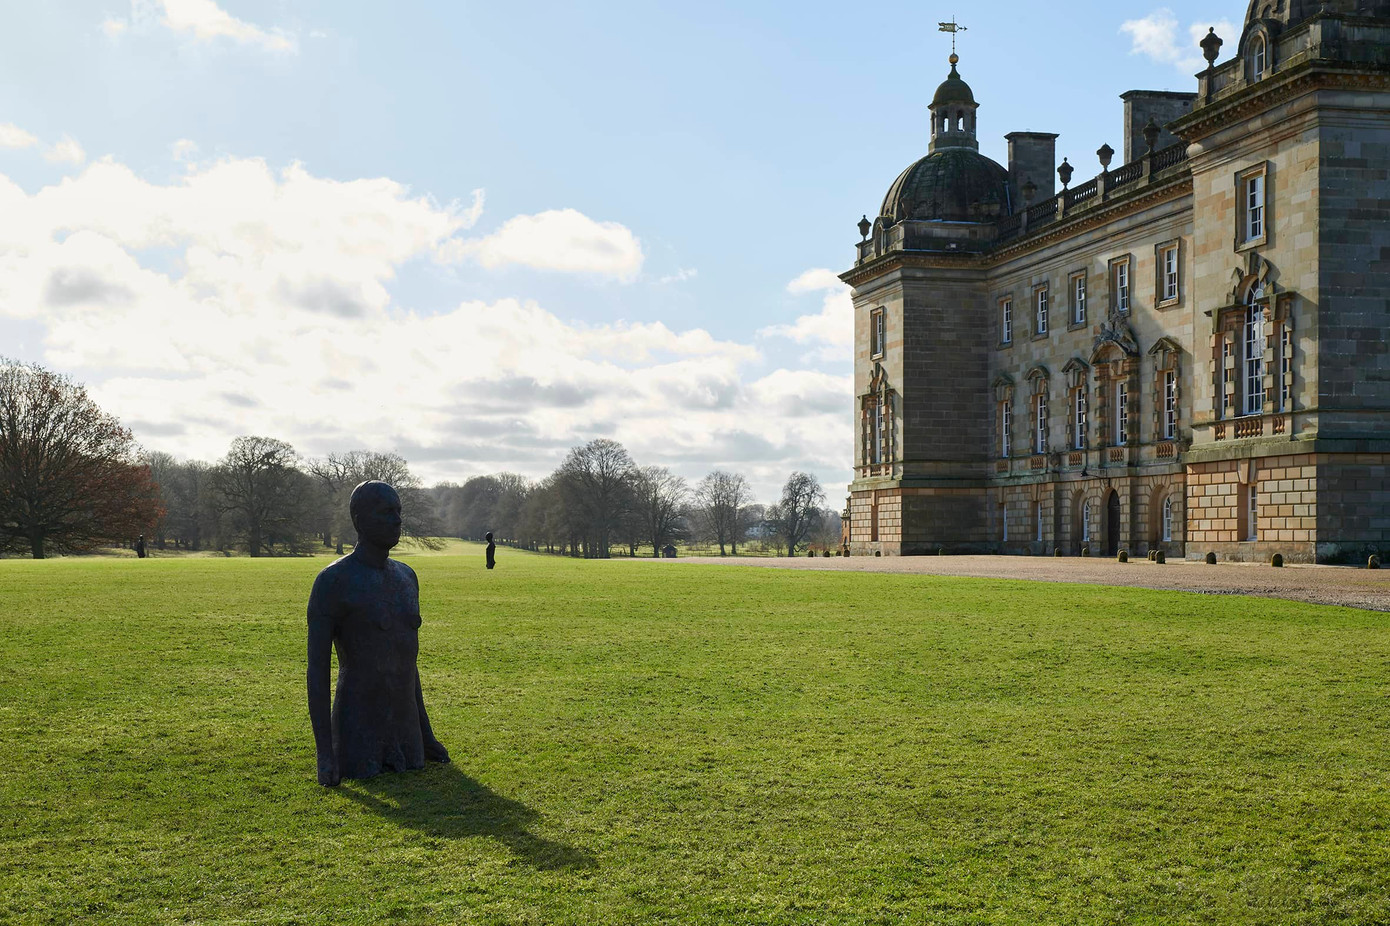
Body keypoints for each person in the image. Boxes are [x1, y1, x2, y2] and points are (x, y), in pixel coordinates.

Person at [306, 481, 449, 786]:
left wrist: (425, 735)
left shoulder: (407, 577)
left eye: (398, 511)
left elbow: (407, 661)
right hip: (358, 733)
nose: (397, 520)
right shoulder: (333, 581)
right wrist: (325, 754)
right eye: (386, 512)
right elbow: (317, 672)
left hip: (407, 732)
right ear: (359, 519)